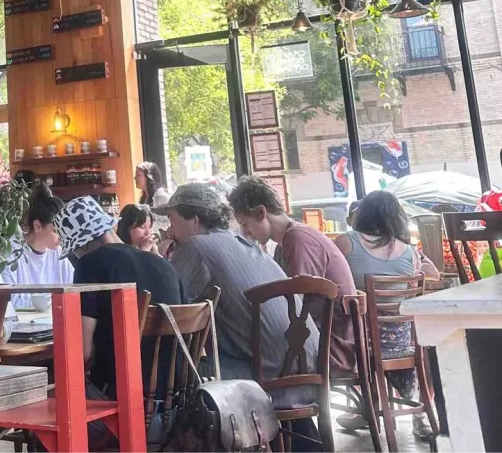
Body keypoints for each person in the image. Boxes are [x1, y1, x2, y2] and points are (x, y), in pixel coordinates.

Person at [159, 183, 321, 425]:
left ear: (194, 220)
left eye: (172, 221)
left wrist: (161, 260)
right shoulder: (244, 243)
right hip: (309, 372)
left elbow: (169, 309)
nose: (170, 231)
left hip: (264, 379)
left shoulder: (196, 247)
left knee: (170, 370)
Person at [54, 195, 185, 447]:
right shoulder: (164, 266)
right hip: (175, 414)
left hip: (120, 412)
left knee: (46, 407)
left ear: (82, 245)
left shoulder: (90, 265)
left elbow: (82, 352)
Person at [333, 190, 439, 438]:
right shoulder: (410, 252)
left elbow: (330, 281)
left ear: (363, 214)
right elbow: (433, 274)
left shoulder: (346, 242)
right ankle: (416, 413)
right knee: (422, 341)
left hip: (358, 342)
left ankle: (365, 408)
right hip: (402, 344)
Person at [229, 175, 358, 381]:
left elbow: (296, 302)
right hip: (323, 338)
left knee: (243, 357)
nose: (246, 232)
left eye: (245, 223)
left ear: (261, 213)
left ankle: (277, 401)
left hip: (331, 349)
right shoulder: (288, 241)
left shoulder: (298, 240)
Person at [1, 183, 73, 308]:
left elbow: (72, 290)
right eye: (56, 231)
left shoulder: (58, 253)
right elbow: (7, 301)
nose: (62, 237)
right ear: (37, 226)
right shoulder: (11, 251)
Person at [135, 162, 171, 246]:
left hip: (160, 242)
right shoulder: (144, 198)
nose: (135, 178)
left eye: (138, 175)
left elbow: (168, 224)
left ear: (149, 177)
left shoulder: (163, 197)